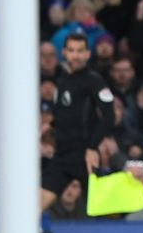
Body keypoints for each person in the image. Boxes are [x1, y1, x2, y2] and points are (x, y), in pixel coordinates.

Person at [41, 33, 115, 212]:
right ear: (64, 53)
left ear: (88, 54)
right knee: (38, 203)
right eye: (72, 50)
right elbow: (66, 113)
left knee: (104, 209)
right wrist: (49, 127)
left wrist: (91, 147)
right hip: (62, 154)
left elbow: (109, 115)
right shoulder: (63, 79)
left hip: (84, 156)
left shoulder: (93, 80)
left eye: (80, 51)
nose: (76, 55)